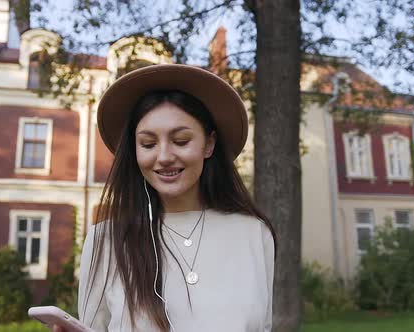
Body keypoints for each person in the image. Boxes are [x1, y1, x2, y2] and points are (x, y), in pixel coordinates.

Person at [54, 64, 276, 332]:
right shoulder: (107, 240)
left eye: (181, 141)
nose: (164, 156)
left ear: (209, 144)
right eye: (148, 144)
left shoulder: (253, 233)